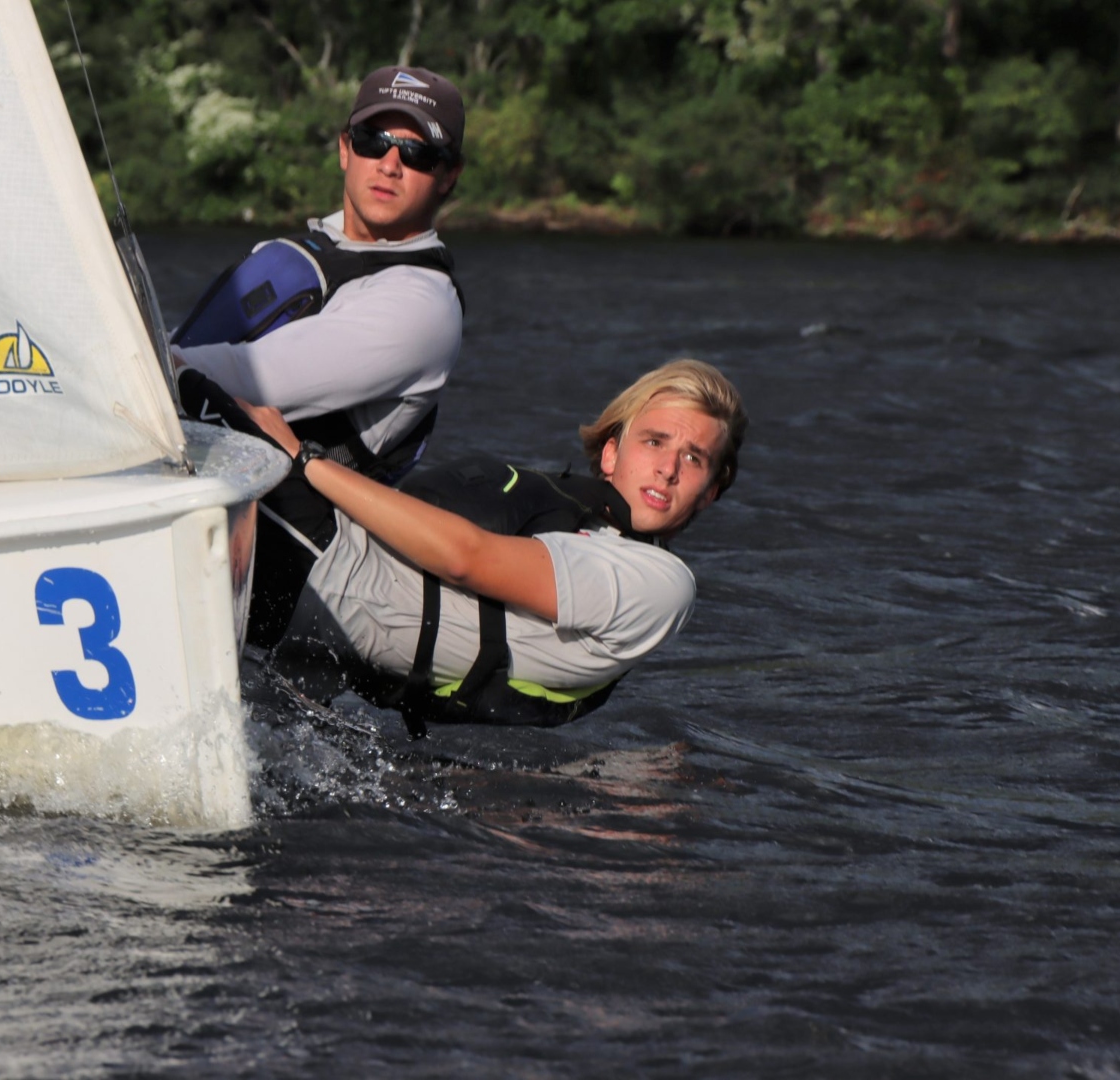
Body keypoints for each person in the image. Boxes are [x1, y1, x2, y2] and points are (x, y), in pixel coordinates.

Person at [233, 359, 748, 737]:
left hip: (328, 570)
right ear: (611, 453)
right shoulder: (578, 522)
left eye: (695, 458)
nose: (668, 468)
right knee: (201, 392)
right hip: (324, 587)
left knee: (200, 406)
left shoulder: (659, 582)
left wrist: (303, 459)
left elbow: (466, 559)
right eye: (655, 442)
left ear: (710, 491)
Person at [172, 65, 468, 648]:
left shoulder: (421, 307)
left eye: (417, 154)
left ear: (448, 176)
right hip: (201, 515)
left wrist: (99, 362)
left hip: (278, 581)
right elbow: (181, 361)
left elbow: (239, 375)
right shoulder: (305, 252)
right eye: (372, 141)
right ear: (344, 150)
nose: (389, 163)